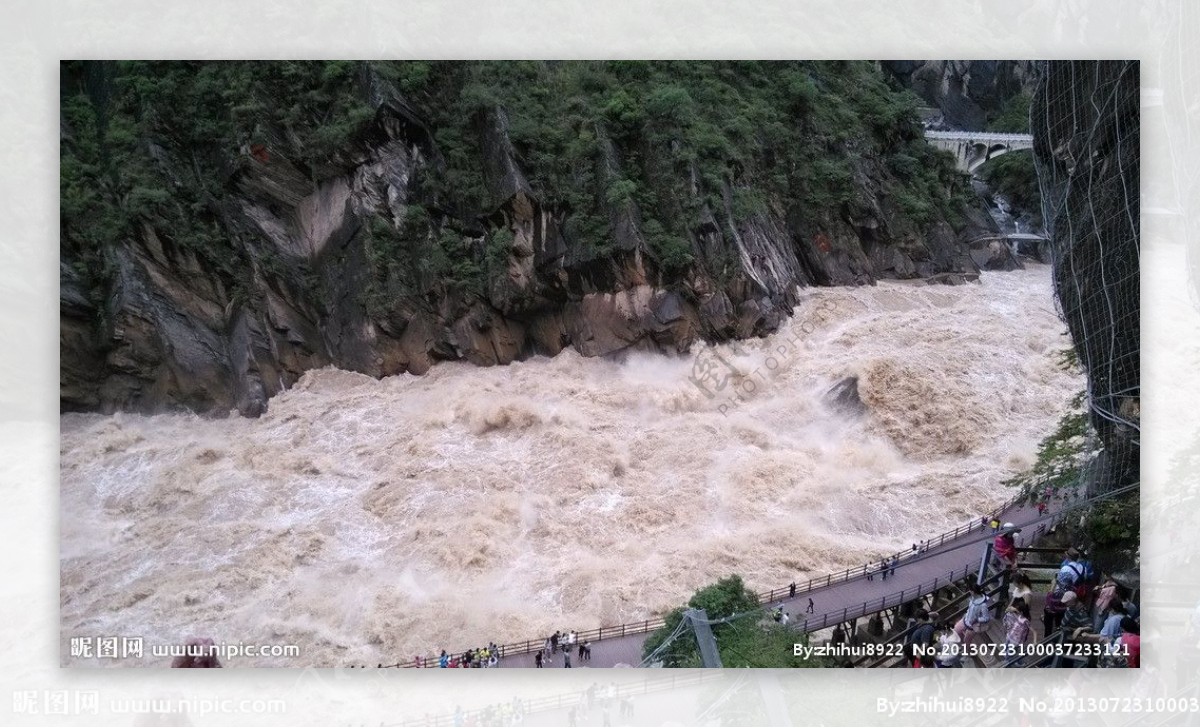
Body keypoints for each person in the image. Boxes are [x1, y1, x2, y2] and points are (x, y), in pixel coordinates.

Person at [1003, 601, 1033, 666]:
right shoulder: (1019, 615)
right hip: (1010, 635)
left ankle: (1009, 663)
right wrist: (1015, 609)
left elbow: (1033, 631)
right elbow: (1008, 609)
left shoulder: (1024, 620)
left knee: (1009, 653)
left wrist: (1035, 641)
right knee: (1008, 650)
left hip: (1016, 640)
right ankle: (1016, 662)